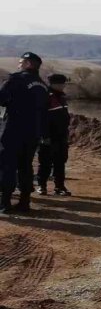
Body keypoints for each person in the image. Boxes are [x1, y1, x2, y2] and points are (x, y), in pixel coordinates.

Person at [0, 52, 49, 215]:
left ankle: (4, 203)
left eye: (21, 62)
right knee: (26, 167)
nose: (18, 65)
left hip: (13, 130)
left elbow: (1, 99)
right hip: (33, 133)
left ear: (28, 64)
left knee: (7, 166)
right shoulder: (43, 86)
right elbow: (45, 112)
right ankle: (24, 202)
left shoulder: (15, 80)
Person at [37, 74, 72, 197]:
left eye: (64, 83)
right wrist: (44, 136)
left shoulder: (62, 97)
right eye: (61, 84)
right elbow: (41, 118)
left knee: (60, 162)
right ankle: (42, 186)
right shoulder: (46, 96)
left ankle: (59, 186)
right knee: (45, 162)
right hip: (48, 136)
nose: (63, 86)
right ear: (54, 84)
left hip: (61, 136)